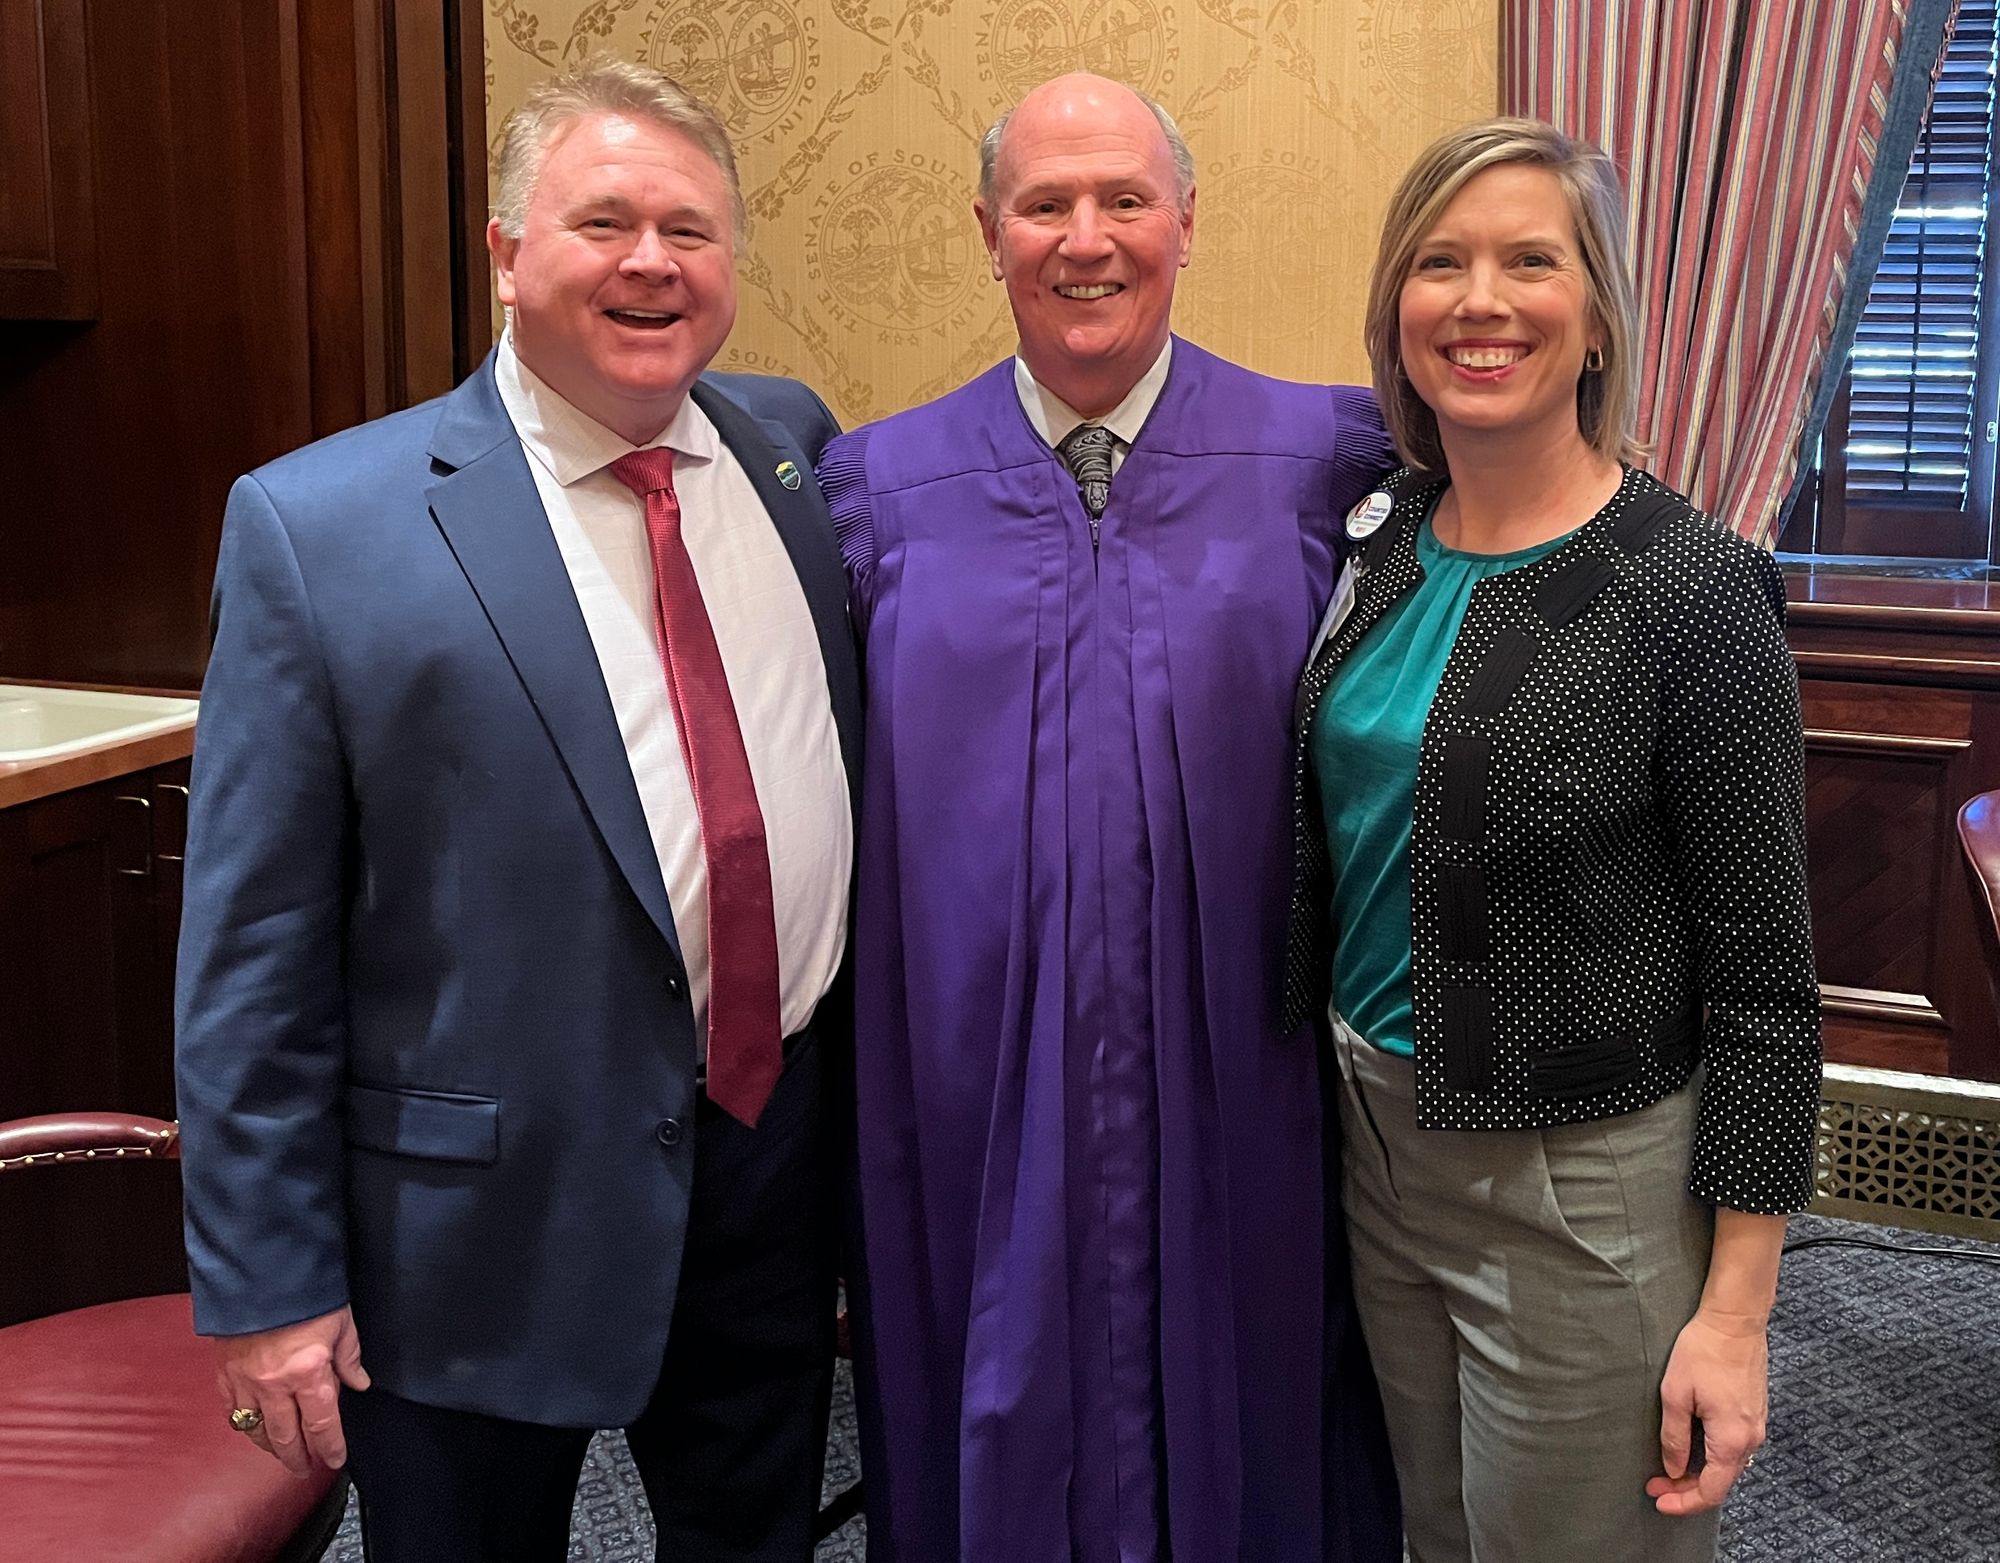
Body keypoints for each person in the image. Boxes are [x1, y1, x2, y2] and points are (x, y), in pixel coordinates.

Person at [173, 57, 860, 1563]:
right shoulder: (321, 526)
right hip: (474, 1227)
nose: (648, 263)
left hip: (768, 1164)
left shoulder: (792, 450)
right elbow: (252, 953)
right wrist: (270, 1286)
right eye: (601, 222)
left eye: (689, 229)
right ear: (503, 251)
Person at [817, 71, 1402, 1563]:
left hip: (1241, 1055)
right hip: (959, 1062)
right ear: (989, 231)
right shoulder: (877, 485)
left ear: (1187, 224)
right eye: (1046, 203)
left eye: (1125, 200)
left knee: (1255, 1353)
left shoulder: (1323, 461)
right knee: (974, 1365)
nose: (1087, 238)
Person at [1287, 117, 1822, 1563]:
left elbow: (1768, 988)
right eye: (1441, 263)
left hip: (1582, 1186)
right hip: (1376, 1149)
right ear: (1396, 312)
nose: (1480, 301)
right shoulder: (1382, 533)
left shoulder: (1691, 590)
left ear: (1596, 320)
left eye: (1533, 261)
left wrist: (1735, 1314)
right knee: (1443, 1540)